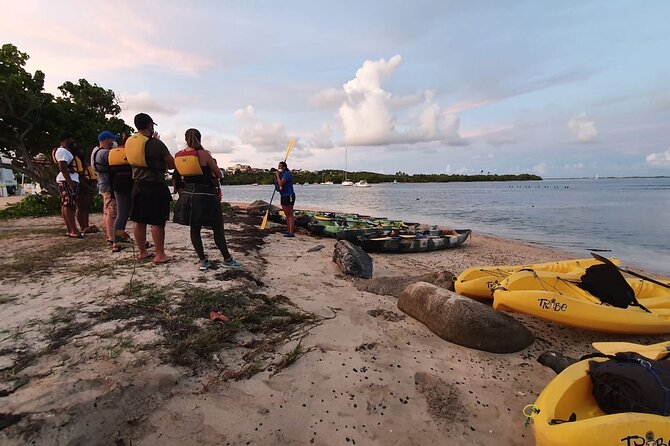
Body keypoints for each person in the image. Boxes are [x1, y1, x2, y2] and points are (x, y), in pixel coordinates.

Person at [173, 128, 241, 271]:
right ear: (200, 138)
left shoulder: (178, 156)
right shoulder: (204, 154)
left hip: (188, 196)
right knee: (217, 228)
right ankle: (227, 259)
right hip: (206, 196)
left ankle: (203, 261)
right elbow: (218, 174)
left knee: (195, 229)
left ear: (186, 139)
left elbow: (177, 177)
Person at [126, 113, 175, 263]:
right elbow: (172, 164)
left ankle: (142, 252)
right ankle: (160, 254)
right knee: (157, 221)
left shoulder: (130, 142)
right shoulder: (156, 144)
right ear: (149, 125)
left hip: (138, 185)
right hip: (155, 185)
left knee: (139, 220)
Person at [52, 133, 82, 238]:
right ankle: (73, 230)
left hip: (66, 180)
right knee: (69, 205)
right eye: (70, 139)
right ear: (66, 139)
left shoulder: (61, 151)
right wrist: (70, 182)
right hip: (68, 180)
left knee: (66, 204)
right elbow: (63, 167)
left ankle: (70, 229)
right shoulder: (63, 151)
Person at [91, 131, 118, 244]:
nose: (114, 142)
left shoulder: (95, 151)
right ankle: (112, 238)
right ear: (107, 140)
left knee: (107, 212)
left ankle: (109, 235)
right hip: (108, 186)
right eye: (113, 140)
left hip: (102, 185)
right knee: (112, 213)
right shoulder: (105, 153)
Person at [274, 161, 295, 237]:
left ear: (284, 167)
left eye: (280, 166)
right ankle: (288, 230)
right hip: (283, 195)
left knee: (290, 214)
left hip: (288, 195)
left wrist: (277, 175)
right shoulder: (282, 174)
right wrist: (278, 176)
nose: (278, 167)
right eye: (278, 166)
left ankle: (291, 232)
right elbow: (278, 185)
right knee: (286, 214)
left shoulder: (287, 174)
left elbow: (281, 183)